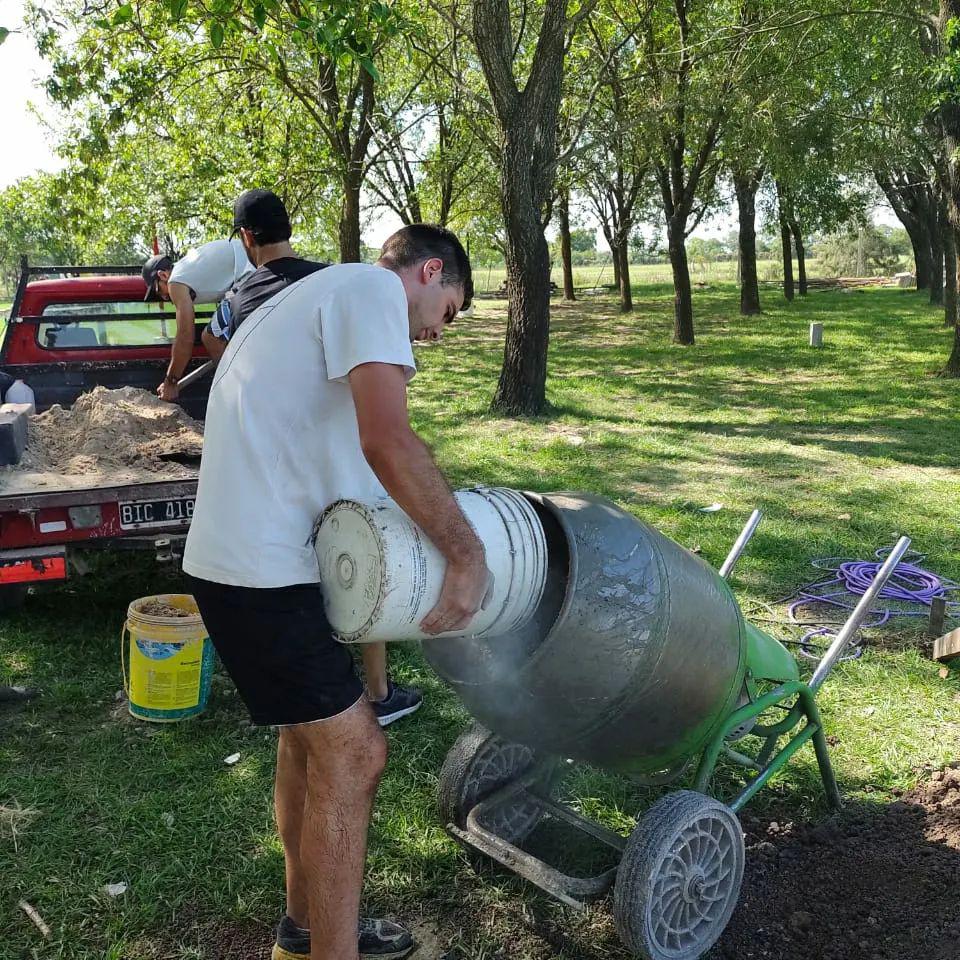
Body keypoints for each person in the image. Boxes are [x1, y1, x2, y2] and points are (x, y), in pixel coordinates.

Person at [181, 223, 490, 960]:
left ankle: (308, 928)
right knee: (357, 755)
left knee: (311, 745)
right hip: (260, 573)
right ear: (429, 273)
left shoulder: (314, 292)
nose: (439, 335)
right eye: (448, 312)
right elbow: (388, 440)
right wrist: (467, 555)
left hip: (242, 563)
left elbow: (363, 454)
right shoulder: (371, 289)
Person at [206, 187, 424, 727]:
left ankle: (345, 694)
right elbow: (381, 420)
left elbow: (215, 346)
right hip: (314, 488)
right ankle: (377, 690)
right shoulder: (329, 278)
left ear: (246, 238)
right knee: (366, 558)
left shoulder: (238, 295)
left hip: (262, 508)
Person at [142, 235, 253, 402]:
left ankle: (238, 399)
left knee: (211, 339)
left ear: (163, 275)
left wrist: (171, 381)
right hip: (250, 271)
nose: (165, 298)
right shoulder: (190, 270)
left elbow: (185, 335)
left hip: (249, 276)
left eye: (159, 291)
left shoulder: (175, 281)